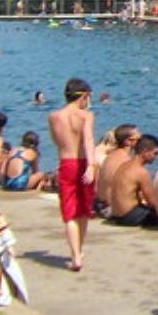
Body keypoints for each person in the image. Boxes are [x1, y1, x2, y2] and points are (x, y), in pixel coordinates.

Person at [48, 78, 99, 272]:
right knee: (83, 210)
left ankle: (75, 255)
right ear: (84, 96)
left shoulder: (54, 116)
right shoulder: (86, 115)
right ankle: (79, 250)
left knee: (69, 211)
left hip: (66, 162)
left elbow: (56, 141)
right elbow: (88, 140)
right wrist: (92, 166)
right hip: (83, 162)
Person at [104, 135, 158, 227]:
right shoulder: (141, 172)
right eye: (155, 153)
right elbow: (152, 202)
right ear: (145, 151)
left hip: (116, 214)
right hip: (129, 216)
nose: (156, 157)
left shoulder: (124, 165)